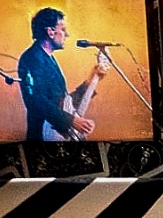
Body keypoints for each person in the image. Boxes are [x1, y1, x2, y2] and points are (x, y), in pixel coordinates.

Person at [18, 7, 109, 141]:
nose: (67, 35)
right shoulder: (32, 58)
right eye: (63, 29)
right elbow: (36, 101)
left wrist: (91, 81)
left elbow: (63, 103)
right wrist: (71, 121)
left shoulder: (48, 58)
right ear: (50, 32)